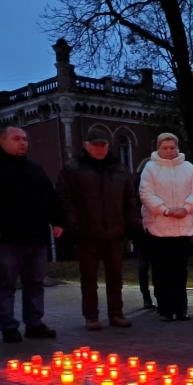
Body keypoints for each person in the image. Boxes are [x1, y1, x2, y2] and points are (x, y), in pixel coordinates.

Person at [0, 126, 65, 343]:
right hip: (5, 238)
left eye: (24, 139)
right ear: (2, 141)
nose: (23, 143)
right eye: (16, 139)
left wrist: (57, 220)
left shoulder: (34, 169)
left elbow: (50, 196)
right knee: (5, 283)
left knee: (35, 283)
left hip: (36, 236)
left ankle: (34, 323)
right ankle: (8, 327)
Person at [57, 132, 138, 330]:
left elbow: (130, 200)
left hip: (114, 231)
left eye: (103, 145)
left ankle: (116, 313)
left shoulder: (119, 169)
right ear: (86, 145)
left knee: (115, 275)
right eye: (95, 145)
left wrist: (131, 225)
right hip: (87, 232)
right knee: (89, 277)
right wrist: (73, 225)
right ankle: (91, 316)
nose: (100, 149)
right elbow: (65, 199)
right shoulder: (72, 169)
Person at [139, 133, 193, 321]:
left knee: (180, 270)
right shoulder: (150, 168)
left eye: (172, 147)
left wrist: (186, 208)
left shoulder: (188, 168)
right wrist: (165, 210)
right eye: (164, 148)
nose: (169, 151)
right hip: (158, 228)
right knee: (161, 270)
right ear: (158, 148)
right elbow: (146, 193)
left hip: (182, 228)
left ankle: (181, 308)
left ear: (177, 148)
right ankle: (165, 308)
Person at [133, 157, 155, 309]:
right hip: (142, 229)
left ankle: (150, 296)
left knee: (148, 264)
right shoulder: (137, 186)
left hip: (153, 228)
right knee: (145, 264)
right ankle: (147, 296)